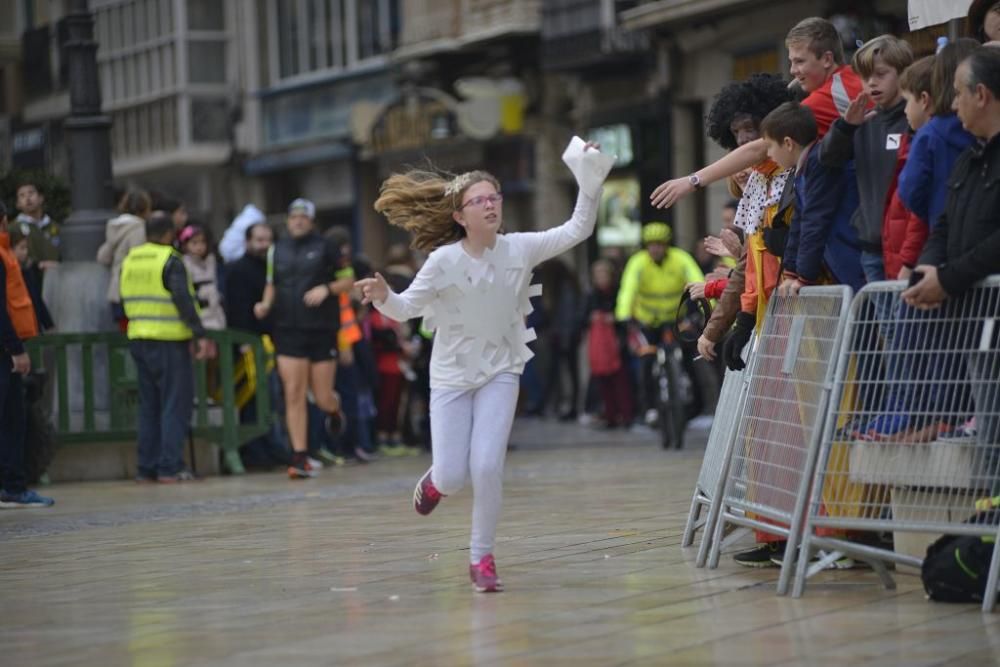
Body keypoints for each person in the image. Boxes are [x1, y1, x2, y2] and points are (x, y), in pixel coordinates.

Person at [355, 140, 610, 593]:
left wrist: (588, 184)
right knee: (454, 474)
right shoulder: (442, 261)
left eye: (495, 198)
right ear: (460, 216)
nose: (490, 205)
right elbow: (406, 309)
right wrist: (382, 297)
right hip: (451, 376)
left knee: (488, 465)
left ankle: (481, 557)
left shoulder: (520, 248)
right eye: (480, 201)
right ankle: (435, 482)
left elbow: (578, 229)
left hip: (501, 369)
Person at [903, 46, 1000, 492]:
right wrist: (927, 269)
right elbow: (942, 224)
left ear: (981, 94)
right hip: (978, 326)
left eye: (959, 94)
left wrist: (950, 277)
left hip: (986, 309)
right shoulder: (971, 157)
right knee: (989, 448)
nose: (952, 102)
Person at [650, 16, 864, 210]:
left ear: (827, 59)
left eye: (800, 61)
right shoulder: (847, 81)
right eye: (791, 61)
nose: (792, 70)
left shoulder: (824, 98)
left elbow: (759, 149)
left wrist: (692, 181)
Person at [253, 198, 352, 479]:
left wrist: (327, 289)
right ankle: (299, 457)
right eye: (293, 216)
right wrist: (264, 304)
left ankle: (334, 411)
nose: (298, 221)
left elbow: (349, 280)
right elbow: (271, 285)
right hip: (287, 329)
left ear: (311, 221)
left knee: (321, 398)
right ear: (287, 220)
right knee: (293, 392)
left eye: (303, 217)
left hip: (321, 330)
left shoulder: (327, 247)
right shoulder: (277, 250)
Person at [120, 213, 211, 483]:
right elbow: (183, 299)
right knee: (175, 403)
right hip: (169, 340)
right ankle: (170, 466)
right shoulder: (170, 259)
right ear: (170, 233)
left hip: (138, 337)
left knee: (149, 406)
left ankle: (145, 467)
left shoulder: (131, 259)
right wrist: (199, 333)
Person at [817, 34, 913, 285]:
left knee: (906, 323)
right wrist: (845, 127)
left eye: (881, 74)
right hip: (871, 245)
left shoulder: (914, 120)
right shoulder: (863, 121)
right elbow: (827, 159)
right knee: (884, 323)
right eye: (865, 77)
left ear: (903, 73)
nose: (871, 83)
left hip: (908, 247)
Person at [616, 222, 704, 427]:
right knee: (646, 361)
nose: (655, 248)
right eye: (651, 245)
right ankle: (650, 408)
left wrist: (709, 309)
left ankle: (692, 403)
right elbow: (628, 289)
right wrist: (623, 315)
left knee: (689, 360)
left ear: (667, 245)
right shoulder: (638, 262)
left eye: (659, 244)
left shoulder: (680, 259)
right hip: (648, 320)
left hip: (675, 320)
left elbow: (698, 282)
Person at [0, 201, 53, 508]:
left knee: (12, 419)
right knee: (9, 419)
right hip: (5, 350)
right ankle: (13, 486)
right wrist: (15, 349)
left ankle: (13, 486)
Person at [897, 40, 979, 238]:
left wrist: (935, 210)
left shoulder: (930, 134)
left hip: (945, 235)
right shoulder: (984, 125)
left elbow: (910, 190)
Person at [883, 56, 935, 282]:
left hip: (914, 265)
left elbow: (917, 210)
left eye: (907, 101)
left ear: (924, 100)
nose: (905, 111)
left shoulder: (928, 142)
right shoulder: (914, 140)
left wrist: (908, 261)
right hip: (902, 259)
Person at [97, 190, 151, 331]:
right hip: (135, 289)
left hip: (117, 289)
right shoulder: (140, 229)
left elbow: (103, 257)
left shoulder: (115, 228)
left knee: (125, 332)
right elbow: (140, 258)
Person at [223, 222, 273, 336]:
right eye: (260, 240)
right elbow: (237, 311)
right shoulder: (238, 270)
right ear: (247, 242)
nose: (266, 245)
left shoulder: (273, 266)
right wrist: (243, 340)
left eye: (269, 240)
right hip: (250, 337)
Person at [179, 225, 226, 332]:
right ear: (185, 245)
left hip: (215, 311)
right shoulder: (184, 263)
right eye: (194, 243)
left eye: (202, 242)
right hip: (198, 312)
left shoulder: (211, 260)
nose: (199, 247)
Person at [8, 229, 54, 332]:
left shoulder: (28, 270)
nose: (25, 252)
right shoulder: (9, 272)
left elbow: (36, 298)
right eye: (22, 248)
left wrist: (48, 324)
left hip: (33, 323)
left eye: (26, 248)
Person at [14, 181, 60, 275]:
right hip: (28, 279)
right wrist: (38, 265)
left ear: (40, 198)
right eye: (22, 195)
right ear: (18, 204)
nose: (27, 198)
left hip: (55, 277)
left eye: (31, 193)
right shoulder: (14, 227)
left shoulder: (54, 226)